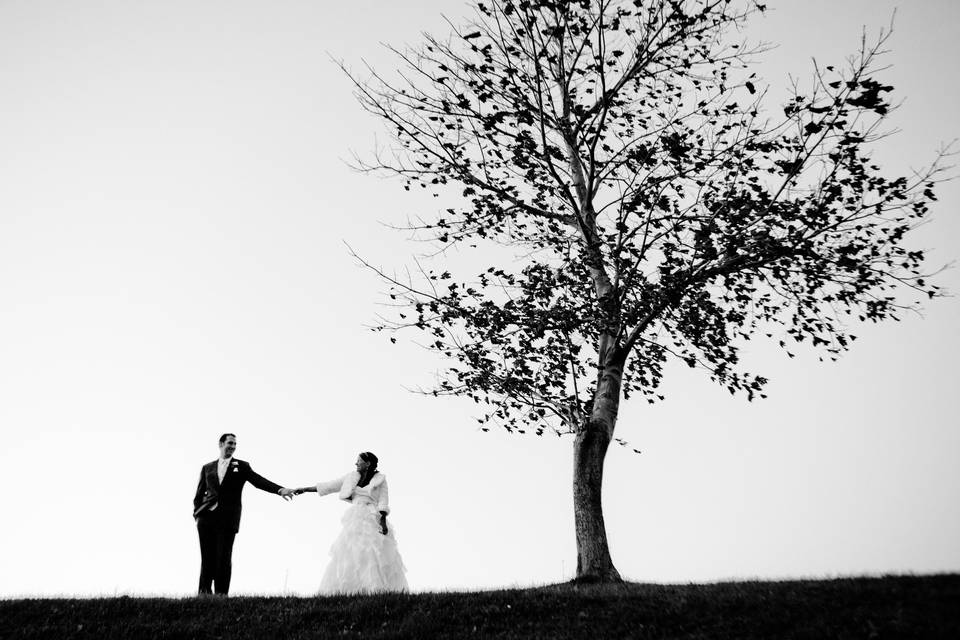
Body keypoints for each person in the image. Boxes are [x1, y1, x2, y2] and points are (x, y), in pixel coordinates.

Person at [193, 433, 295, 595]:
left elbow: (258, 481)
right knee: (207, 558)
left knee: (223, 558)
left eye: (235, 444)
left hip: (228, 519)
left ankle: (221, 595)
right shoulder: (207, 468)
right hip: (207, 519)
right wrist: (197, 514)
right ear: (221, 444)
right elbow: (199, 495)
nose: (233, 446)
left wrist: (280, 490)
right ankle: (204, 594)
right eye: (230, 443)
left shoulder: (241, 466)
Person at [293, 451, 408, 594]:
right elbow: (329, 486)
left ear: (368, 463)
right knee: (351, 551)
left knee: (373, 551)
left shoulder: (381, 480)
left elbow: (384, 500)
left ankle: (376, 590)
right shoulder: (351, 477)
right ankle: (351, 590)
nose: (356, 463)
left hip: (373, 517)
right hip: (355, 518)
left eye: (359, 461)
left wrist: (383, 521)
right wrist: (304, 489)